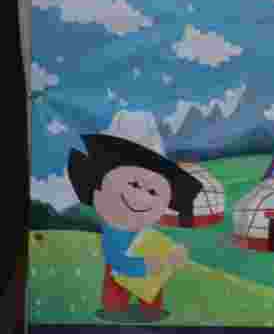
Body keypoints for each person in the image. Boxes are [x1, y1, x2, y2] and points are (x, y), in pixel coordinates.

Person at [67, 134, 202, 321]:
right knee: (115, 299)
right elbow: (116, 259)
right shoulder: (113, 230)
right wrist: (144, 265)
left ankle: (150, 309)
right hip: (121, 272)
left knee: (152, 294)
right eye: (134, 184)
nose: (142, 197)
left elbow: (161, 247)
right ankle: (116, 308)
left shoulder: (146, 230)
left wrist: (175, 254)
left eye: (152, 192)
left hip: (148, 273)